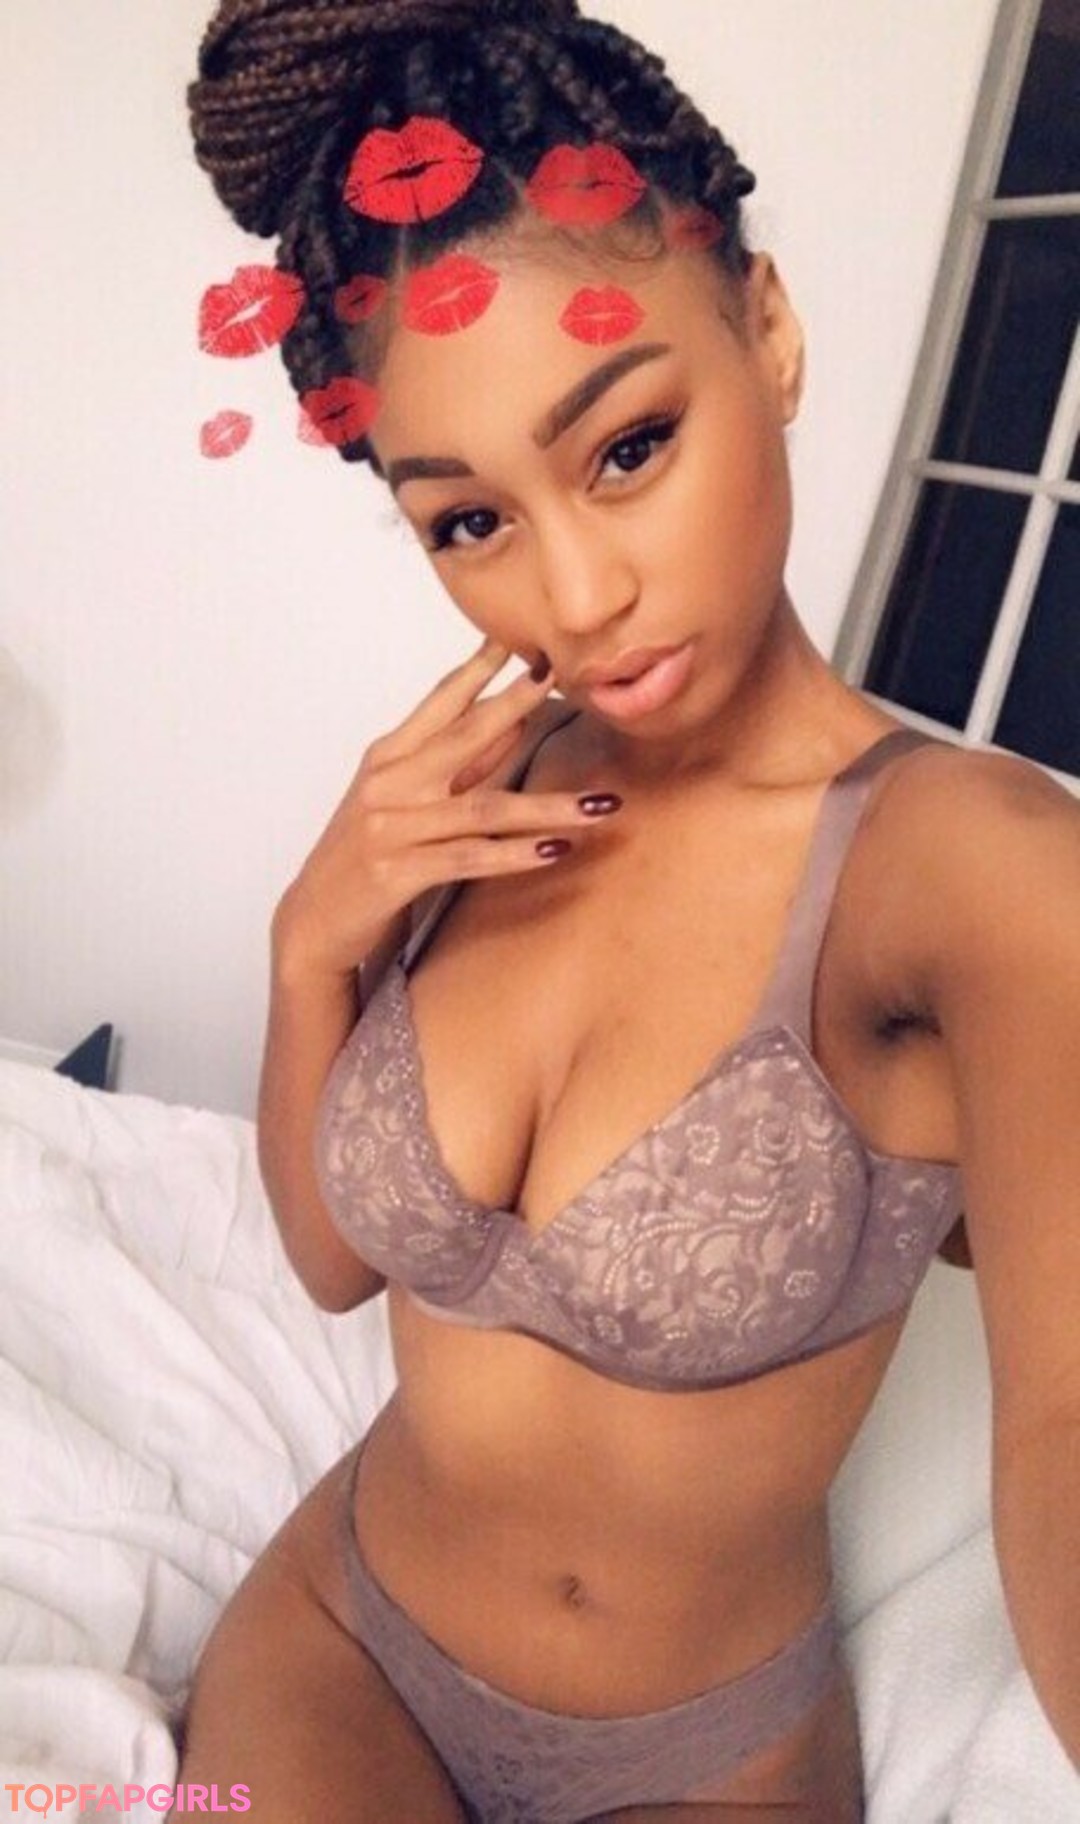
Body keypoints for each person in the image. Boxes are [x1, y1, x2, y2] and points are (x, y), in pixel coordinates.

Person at [179, 1, 1080, 1818]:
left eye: (627, 446)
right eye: (469, 522)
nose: (576, 596)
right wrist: (308, 946)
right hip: (341, 1636)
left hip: (702, 1757)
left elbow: (1066, 1428)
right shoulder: (474, 791)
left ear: (770, 332)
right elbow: (335, 1264)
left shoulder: (969, 871)